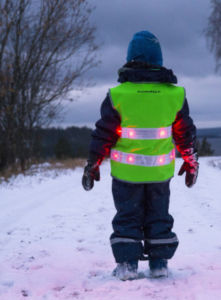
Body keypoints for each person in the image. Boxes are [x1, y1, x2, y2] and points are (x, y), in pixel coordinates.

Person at [82, 31, 199, 281]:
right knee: (159, 215)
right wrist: (191, 160)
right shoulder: (174, 95)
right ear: (159, 60)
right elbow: (184, 133)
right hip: (159, 173)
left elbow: (104, 133)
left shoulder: (119, 95)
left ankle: (127, 266)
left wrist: (93, 162)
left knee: (127, 216)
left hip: (127, 174)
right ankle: (159, 264)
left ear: (129, 59)